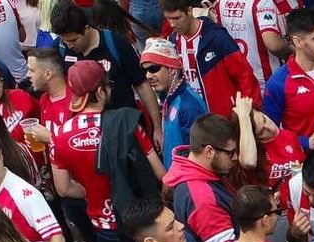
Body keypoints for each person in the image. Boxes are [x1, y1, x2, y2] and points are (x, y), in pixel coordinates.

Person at [51, 60, 165, 242]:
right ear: (100, 91)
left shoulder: (59, 135)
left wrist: (92, 192)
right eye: (108, 85)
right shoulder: (127, 122)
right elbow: (160, 173)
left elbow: (63, 188)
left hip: (103, 224)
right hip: (142, 217)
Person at [50, 1, 162, 142]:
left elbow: (142, 85)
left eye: (73, 40)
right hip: (88, 136)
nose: (69, 45)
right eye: (64, 40)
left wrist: (158, 128)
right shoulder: (60, 49)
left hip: (126, 130)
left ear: (87, 28)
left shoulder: (115, 44)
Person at [263, 8, 314, 150]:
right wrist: (306, 143)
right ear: (297, 41)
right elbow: (270, 133)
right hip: (304, 166)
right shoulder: (278, 83)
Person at [161, 0, 257, 122]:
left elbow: (245, 76)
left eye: (177, 18)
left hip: (224, 120)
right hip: (194, 121)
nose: (172, 24)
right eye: (168, 19)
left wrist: (249, 113)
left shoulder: (217, 38)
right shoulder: (174, 41)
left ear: (190, 11)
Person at [141, 37, 206, 170]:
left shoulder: (188, 105)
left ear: (171, 69)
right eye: (145, 71)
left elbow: (199, 158)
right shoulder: (169, 98)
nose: (148, 76)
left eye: (153, 68)